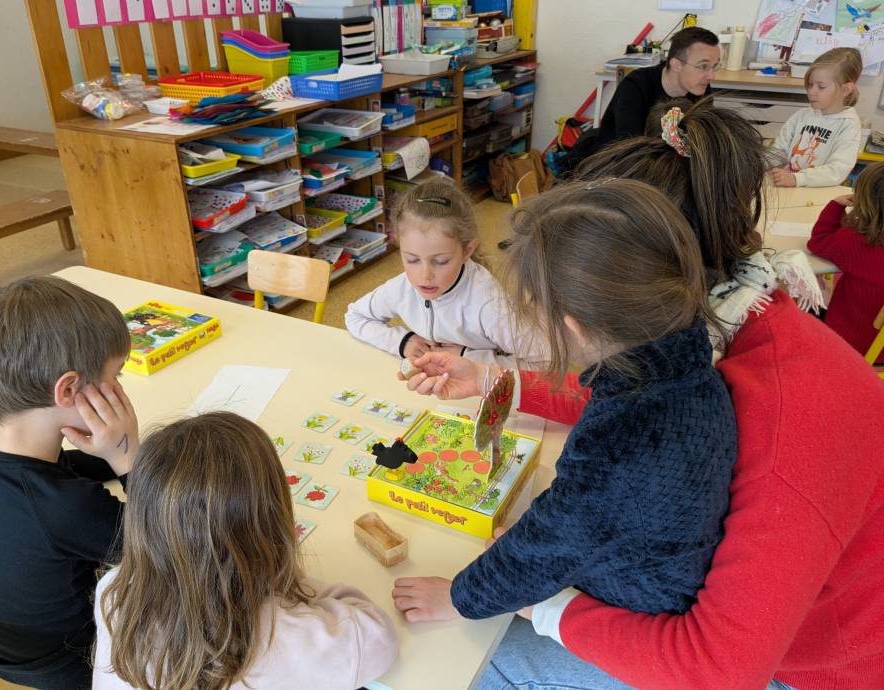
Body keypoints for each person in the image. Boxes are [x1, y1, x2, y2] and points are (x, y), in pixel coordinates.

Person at [399, 103, 884, 689]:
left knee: (471, 657)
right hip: (741, 615)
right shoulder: (708, 331)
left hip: (807, 667)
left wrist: (545, 607)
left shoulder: (787, 419)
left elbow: (718, 671)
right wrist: (496, 380)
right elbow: (633, 397)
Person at [392, 179, 739, 632]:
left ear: (572, 326)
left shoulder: (618, 446)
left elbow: (552, 543)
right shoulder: (679, 360)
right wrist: (487, 378)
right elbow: (573, 523)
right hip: (630, 563)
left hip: (629, 614)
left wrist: (459, 598)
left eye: (534, 309)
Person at [93, 412, 398, 690]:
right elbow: (377, 636)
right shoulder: (295, 638)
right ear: (273, 527)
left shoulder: (113, 592)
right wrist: (288, 577)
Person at [0, 276, 137, 690]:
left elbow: (52, 472)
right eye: (117, 375)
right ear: (69, 389)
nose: (120, 389)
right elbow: (168, 540)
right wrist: (128, 457)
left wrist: (107, 454)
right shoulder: (66, 509)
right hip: (70, 664)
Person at [345, 177, 546, 368]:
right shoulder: (402, 287)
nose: (425, 275)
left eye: (440, 261)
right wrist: (403, 342)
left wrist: (468, 358)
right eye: (412, 260)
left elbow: (546, 362)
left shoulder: (489, 305)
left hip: (480, 385)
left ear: (467, 251)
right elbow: (355, 316)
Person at [807, 163, 884, 362]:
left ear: (863, 201)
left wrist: (836, 205)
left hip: (852, 345)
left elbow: (818, 241)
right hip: (878, 349)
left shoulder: (854, 240)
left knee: (802, 309)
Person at [596, 26, 720, 150]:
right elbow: (630, 150)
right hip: (619, 156)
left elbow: (706, 136)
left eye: (714, 66)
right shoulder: (634, 87)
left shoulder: (701, 88)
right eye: (703, 66)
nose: (711, 76)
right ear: (676, 65)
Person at [769, 47, 863, 188]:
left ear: (845, 90)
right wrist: (764, 163)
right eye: (810, 84)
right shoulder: (801, 115)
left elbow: (837, 170)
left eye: (821, 87)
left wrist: (797, 179)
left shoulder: (848, 124)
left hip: (818, 191)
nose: (811, 92)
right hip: (789, 188)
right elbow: (779, 150)